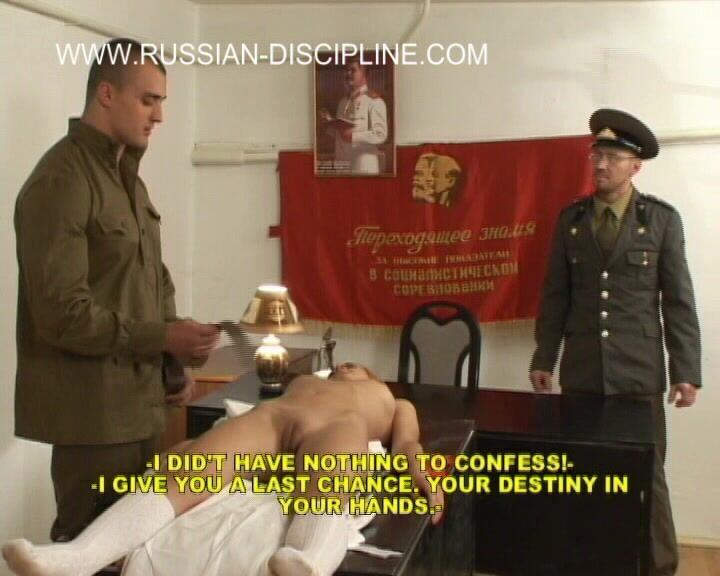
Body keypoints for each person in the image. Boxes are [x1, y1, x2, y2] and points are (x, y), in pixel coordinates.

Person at [13, 37, 220, 543]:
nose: (159, 116)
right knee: (89, 551)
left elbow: (152, 280)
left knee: (141, 552)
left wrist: (172, 363)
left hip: (144, 410)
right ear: (106, 94)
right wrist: (164, 339)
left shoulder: (128, 180)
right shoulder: (61, 179)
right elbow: (62, 314)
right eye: (148, 100)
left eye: (161, 102)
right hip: (94, 420)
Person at [3, 363, 445, 576]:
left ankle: (306, 560)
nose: (348, 366)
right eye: (343, 365)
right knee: (186, 472)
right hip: (274, 418)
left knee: (327, 486)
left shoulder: (392, 402)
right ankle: (76, 557)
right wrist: (193, 446)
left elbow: (408, 444)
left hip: (341, 427)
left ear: (374, 378)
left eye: (360, 367)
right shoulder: (310, 379)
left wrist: (422, 473)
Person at [529, 109, 701, 576]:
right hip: (583, 371)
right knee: (583, 474)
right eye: (596, 155)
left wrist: (686, 372)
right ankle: (588, 562)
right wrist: (545, 357)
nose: (601, 165)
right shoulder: (571, 221)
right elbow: (555, 295)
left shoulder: (661, 220)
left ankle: (659, 567)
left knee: (648, 475)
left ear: (635, 166)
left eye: (612, 157)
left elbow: (678, 301)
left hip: (638, 373)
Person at [319, 58, 388, 174]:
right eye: (347, 70)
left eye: (353, 70)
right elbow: (341, 135)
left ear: (364, 73)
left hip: (364, 166)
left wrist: (353, 137)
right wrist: (328, 123)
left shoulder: (374, 101)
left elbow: (380, 134)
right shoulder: (343, 103)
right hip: (343, 167)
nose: (348, 73)